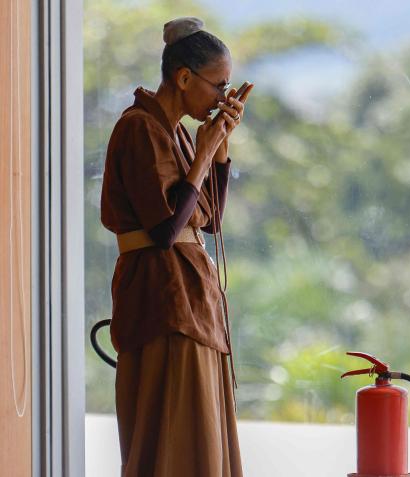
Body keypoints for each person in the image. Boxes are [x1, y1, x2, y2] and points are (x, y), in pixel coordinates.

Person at [100, 16, 253, 477]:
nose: (223, 98)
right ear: (184, 78)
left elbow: (210, 219)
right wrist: (204, 153)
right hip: (163, 303)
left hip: (191, 302)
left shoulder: (178, 132)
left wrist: (219, 146)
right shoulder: (140, 128)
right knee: (174, 439)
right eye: (218, 86)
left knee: (200, 435)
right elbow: (166, 232)